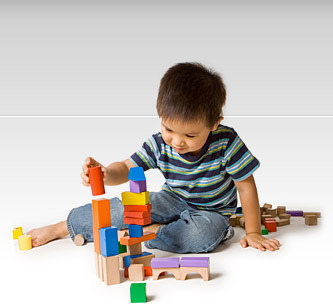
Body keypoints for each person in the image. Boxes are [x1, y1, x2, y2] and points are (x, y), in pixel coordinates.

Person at [27, 62, 280, 253]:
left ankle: (149, 233)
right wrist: (106, 173)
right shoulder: (160, 144)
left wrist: (254, 231)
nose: (177, 141)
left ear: (214, 124)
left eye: (190, 135)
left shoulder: (226, 142)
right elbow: (127, 167)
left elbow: (245, 186)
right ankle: (63, 227)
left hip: (211, 212)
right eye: (169, 129)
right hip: (171, 200)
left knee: (201, 235)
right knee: (124, 206)